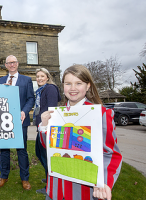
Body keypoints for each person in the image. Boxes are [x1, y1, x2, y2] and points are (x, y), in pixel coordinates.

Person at [38, 64, 123, 200]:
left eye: (78, 83)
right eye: (68, 83)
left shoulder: (101, 114)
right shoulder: (56, 113)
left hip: (84, 192)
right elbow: (47, 147)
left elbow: (111, 154)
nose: (73, 88)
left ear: (88, 86)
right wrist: (44, 126)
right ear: (63, 86)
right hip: (55, 189)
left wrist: (104, 182)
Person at [0, 55, 35, 190]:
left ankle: (25, 179)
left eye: (13, 62)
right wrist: (1, 90)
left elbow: (31, 99)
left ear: (17, 64)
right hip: (3, 121)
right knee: (4, 150)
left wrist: (24, 111)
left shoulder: (27, 80)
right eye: (9, 63)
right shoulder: (0, 80)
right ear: (5, 65)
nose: (11, 65)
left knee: (22, 150)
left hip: (20, 120)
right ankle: (3, 176)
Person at [33, 68, 61, 195]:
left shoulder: (50, 89)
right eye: (37, 76)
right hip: (41, 127)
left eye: (42, 76)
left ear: (47, 77)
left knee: (46, 156)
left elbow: (52, 110)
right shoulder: (40, 90)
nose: (39, 78)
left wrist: (46, 126)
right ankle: (49, 176)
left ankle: (50, 185)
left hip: (47, 128)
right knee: (39, 153)